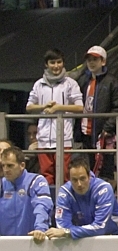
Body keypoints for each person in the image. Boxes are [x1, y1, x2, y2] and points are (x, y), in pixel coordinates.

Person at [26, 48, 84, 185]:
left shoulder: (70, 83)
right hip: (44, 139)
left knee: (65, 176)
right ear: (46, 64)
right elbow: (29, 107)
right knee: (46, 177)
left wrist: (59, 107)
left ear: (63, 63)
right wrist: (43, 106)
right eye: (52, 62)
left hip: (64, 139)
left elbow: (80, 107)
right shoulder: (39, 84)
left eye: (59, 62)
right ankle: (48, 199)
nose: (56, 66)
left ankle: (64, 199)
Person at [45, 156, 118, 239]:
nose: (79, 184)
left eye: (82, 178)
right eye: (74, 180)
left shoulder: (103, 189)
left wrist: (69, 232)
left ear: (89, 177)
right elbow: (62, 227)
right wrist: (68, 232)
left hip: (117, 234)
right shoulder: (65, 192)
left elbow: (100, 227)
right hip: (83, 236)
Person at [75, 44, 118, 181]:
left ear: (103, 61)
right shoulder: (82, 81)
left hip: (104, 133)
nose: (91, 63)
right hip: (85, 133)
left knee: (105, 170)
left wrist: (107, 128)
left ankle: (107, 191)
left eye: (95, 59)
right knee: (87, 170)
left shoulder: (113, 82)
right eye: (89, 60)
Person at [0, 146, 52, 240]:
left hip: (31, 240)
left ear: (22, 165)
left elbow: (43, 205)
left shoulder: (36, 181)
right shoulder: (1, 184)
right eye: (3, 165)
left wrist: (40, 228)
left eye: (10, 166)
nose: (6, 170)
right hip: (5, 242)